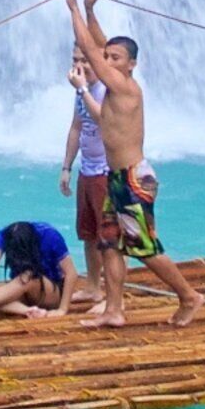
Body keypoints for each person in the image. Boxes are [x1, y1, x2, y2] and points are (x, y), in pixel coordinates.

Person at [68, 0, 205, 325]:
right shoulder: (114, 91)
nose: (108, 62)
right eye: (109, 58)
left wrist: (71, 6)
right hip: (116, 178)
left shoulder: (125, 87)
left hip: (133, 178)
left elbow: (91, 49)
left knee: (144, 248)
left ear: (131, 65)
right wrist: (90, 10)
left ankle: (190, 296)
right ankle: (114, 311)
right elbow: (100, 47)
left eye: (116, 59)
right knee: (110, 245)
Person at [59, 53, 119, 321]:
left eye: (85, 58)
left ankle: (113, 298)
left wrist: (82, 89)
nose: (80, 65)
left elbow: (103, 119)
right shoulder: (79, 91)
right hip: (87, 169)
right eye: (75, 59)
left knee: (110, 237)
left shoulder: (107, 89)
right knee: (89, 234)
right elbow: (76, 127)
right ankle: (93, 287)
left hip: (106, 171)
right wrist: (66, 167)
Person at [0, 218, 77, 317]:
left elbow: (71, 273)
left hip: (50, 291)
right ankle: (27, 311)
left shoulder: (50, 236)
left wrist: (62, 309)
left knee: (28, 276)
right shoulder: (3, 236)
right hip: (21, 288)